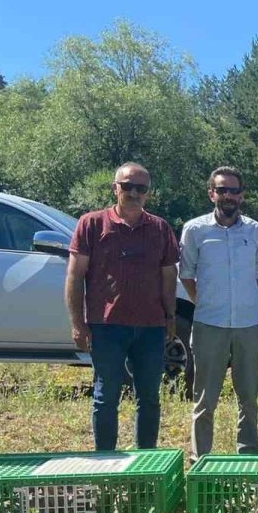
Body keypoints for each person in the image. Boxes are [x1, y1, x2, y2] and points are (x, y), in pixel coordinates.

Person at [66, 162, 178, 451]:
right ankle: (106, 461)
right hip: (107, 326)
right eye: (127, 186)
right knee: (106, 397)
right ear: (115, 188)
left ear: (148, 194)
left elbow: (168, 276)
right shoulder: (91, 224)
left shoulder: (160, 228)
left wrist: (170, 316)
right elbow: (75, 275)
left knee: (150, 397)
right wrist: (78, 323)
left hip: (151, 327)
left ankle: (147, 461)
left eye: (141, 188)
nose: (134, 193)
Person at [179, 166, 258, 459]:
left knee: (249, 397)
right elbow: (187, 274)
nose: (227, 196)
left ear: (242, 195)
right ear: (211, 194)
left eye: (233, 190)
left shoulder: (255, 231)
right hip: (209, 323)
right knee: (205, 398)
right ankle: (201, 456)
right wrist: (204, 302)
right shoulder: (194, 230)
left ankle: (249, 454)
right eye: (221, 190)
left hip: (248, 324)